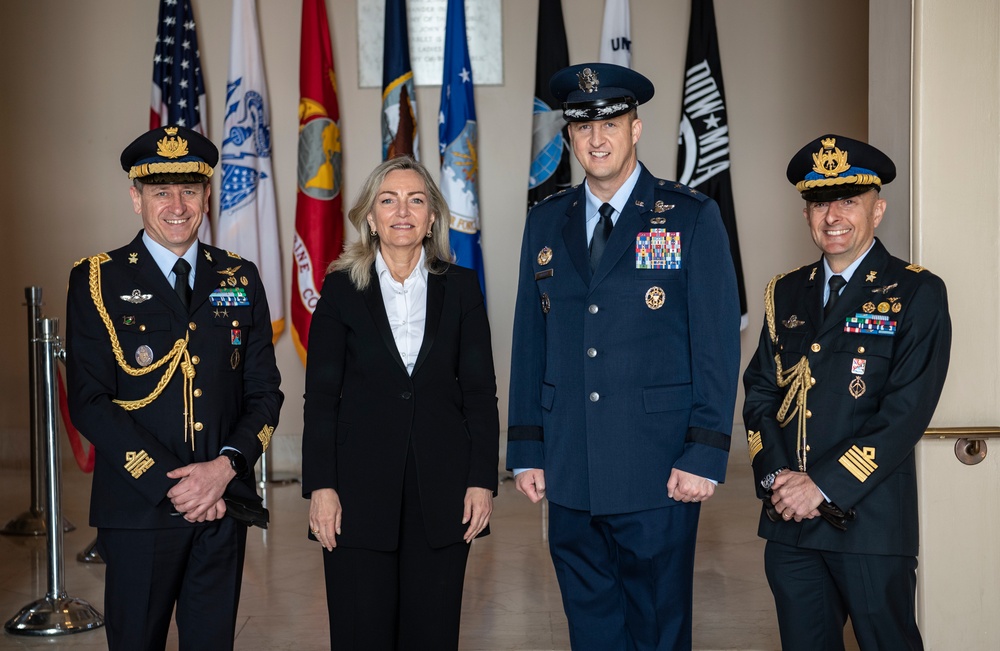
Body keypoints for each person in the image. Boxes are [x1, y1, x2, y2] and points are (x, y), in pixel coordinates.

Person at [507, 62, 741, 650]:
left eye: (611, 122)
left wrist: (705, 452)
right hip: (570, 466)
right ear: (568, 137)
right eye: (583, 127)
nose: (597, 138)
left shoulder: (689, 216)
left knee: (659, 629)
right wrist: (527, 448)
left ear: (636, 129)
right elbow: (529, 342)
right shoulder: (544, 221)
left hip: (658, 468)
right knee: (591, 629)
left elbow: (716, 345)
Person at [65, 125, 283, 650]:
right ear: (135, 197)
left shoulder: (240, 277)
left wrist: (223, 470)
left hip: (222, 505)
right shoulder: (99, 279)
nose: (177, 205)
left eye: (190, 190)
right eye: (161, 191)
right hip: (141, 510)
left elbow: (265, 393)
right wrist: (176, 484)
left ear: (208, 196)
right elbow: (89, 403)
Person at [743, 134, 952, 650]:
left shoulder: (916, 292)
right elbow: (760, 395)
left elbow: (905, 413)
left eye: (848, 201)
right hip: (790, 524)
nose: (832, 215)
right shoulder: (785, 291)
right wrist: (778, 479)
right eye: (819, 202)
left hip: (869, 525)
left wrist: (823, 485)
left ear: (877, 210)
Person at [301, 155, 500, 650]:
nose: (402, 211)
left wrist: (481, 481)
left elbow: (480, 393)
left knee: (431, 634)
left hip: (443, 493)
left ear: (433, 216)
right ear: (371, 217)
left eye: (416, 200)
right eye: (388, 200)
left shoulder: (461, 287)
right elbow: (321, 397)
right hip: (356, 493)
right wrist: (321, 487)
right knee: (359, 633)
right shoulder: (341, 288)